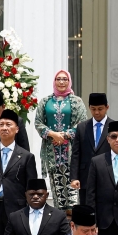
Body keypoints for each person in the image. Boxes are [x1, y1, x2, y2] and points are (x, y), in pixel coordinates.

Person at [34, 71, 89, 210]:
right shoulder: (45, 101)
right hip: (51, 150)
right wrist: (53, 134)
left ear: (69, 81)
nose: (61, 82)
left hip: (72, 149)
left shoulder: (77, 101)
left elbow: (82, 122)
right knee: (57, 185)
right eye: (58, 79)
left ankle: (74, 217)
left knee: (73, 184)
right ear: (54, 81)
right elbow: (38, 122)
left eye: (65, 79)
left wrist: (64, 135)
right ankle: (61, 218)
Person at [70, 93, 114, 207]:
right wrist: (74, 177)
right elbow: (76, 153)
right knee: (86, 210)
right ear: (89, 108)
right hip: (86, 177)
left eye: (100, 109)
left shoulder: (114, 126)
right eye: (93, 109)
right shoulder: (82, 127)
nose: (97, 112)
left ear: (107, 107)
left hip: (108, 175)